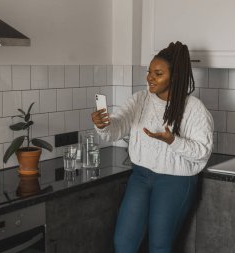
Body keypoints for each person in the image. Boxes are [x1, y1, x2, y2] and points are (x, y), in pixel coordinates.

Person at [91, 41, 214, 253]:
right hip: (141, 176)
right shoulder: (140, 100)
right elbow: (117, 128)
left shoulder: (194, 109)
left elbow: (202, 152)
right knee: (124, 243)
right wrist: (103, 124)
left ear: (174, 77)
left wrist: (172, 140)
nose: (150, 77)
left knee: (159, 247)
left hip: (175, 181)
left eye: (158, 73)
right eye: (149, 72)